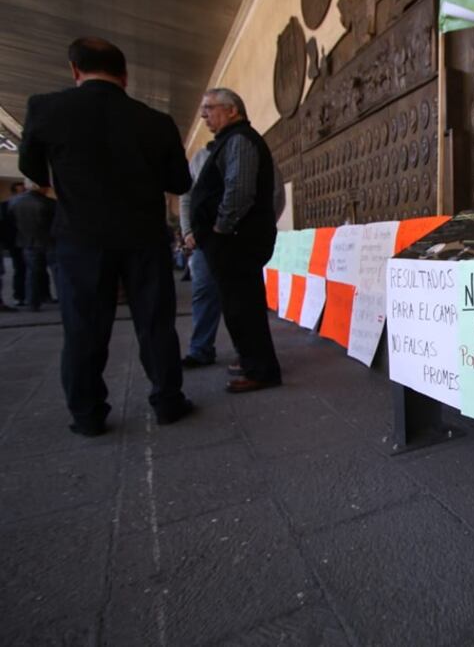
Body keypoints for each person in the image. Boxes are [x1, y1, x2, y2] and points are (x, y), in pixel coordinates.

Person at [18, 36, 194, 436]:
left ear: (75, 70)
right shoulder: (155, 121)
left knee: (83, 327)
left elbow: (32, 168)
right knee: (155, 323)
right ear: (125, 75)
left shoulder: (46, 108)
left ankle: (88, 413)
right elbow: (179, 182)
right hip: (143, 236)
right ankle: (168, 401)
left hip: (81, 236)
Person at [189, 88, 282, 393]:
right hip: (232, 241)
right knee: (238, 305)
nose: (204, 115)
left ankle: (260, 370)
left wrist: (220, 228)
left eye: (210, 108)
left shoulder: (239, 140)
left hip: (235, 241)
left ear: (232, 110)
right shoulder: (230, 141)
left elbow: (239, 190)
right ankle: (251, 360)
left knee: (243, 307)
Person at [177, 146, 219, 368]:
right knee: (203, 291)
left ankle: (248, 352)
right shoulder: (200, 157)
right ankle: (201, 349)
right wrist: (187, 231)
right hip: (205, 237)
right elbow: (186, 196)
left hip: (236, 236)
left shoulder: (242, 147)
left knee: (240, 295)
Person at [9, 179, 56, 310]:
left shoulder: (14, 202)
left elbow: (11, 222)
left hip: (27, 241)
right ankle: (61, 299)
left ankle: (33, 301)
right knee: (57, 271)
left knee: (32, 273)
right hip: (48, 241)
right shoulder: (49, 203)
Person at [1, 182, 28, 306]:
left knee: (31, 269)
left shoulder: (26, 204)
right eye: (20, 191)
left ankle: (35, 295)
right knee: (20, 268)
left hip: (27, 239)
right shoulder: (5, 206)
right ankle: (20, 296)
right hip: (15, 242)